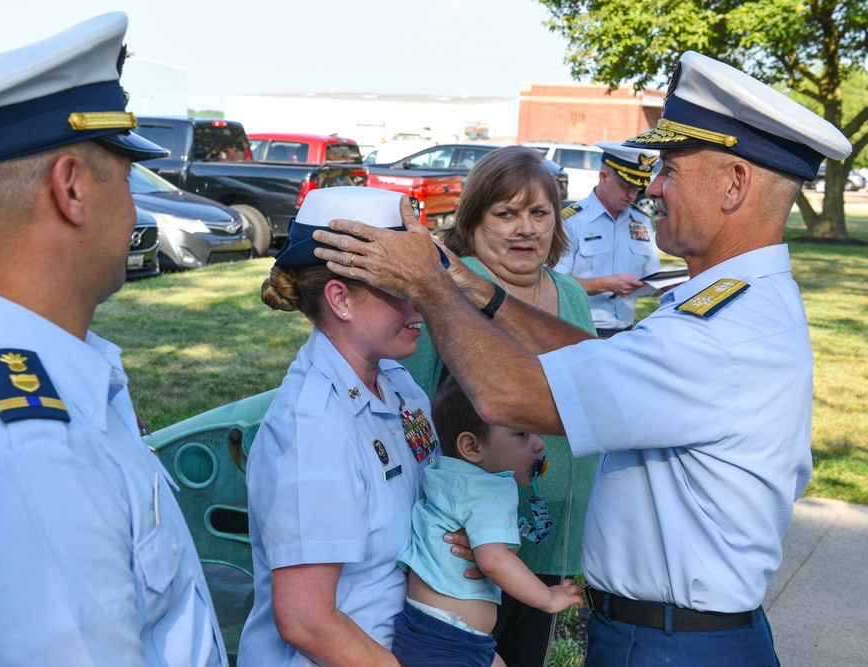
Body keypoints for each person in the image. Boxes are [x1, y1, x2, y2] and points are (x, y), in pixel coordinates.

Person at [311, 50, 852, 666]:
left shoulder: (722, 334)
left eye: (671, 170)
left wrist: (430, 286)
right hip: (669, 634)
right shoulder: (728, 308)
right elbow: (600, 363)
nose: (653, 187)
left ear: (735, 184)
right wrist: (475, 289)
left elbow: (506, 398)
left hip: (673, 646)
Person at [0, 14, 228, 667]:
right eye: (123, 177)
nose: (136, 208)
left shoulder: (17, 382)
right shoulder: (27, 457)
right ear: (71, 189)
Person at [404, 145, 597, 667]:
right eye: (505, 214)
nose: (525, 229)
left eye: (539, 213)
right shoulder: (447, 286)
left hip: (548, 531)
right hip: (467, 544)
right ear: (473, 221)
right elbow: (413, 408)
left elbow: (594, 397)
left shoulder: (572, 295)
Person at [237, 187, 441, 666]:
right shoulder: (313, 428)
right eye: (402, 289)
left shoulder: (397, 383)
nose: (421, 306)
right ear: (340, 299)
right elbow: (307, 620)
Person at [393, 376, 584, 667]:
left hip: (441, 634)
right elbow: (494, 561)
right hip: (448, 641)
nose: (539, 444)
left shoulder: (451, 476)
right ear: (471, 446)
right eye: (522, 434)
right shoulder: (488, 493)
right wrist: (548, 598)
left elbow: (499, 551)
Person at [555, 142, 662, 337]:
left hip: (625, 332)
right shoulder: (572, 221)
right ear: (603, 176)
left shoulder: (641, 220)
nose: (632, 194)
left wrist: (665, 284)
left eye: (638, 187)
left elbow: (651, 278)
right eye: (626, 185)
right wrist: (605, 284)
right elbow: (553, 284)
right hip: (579, 332)